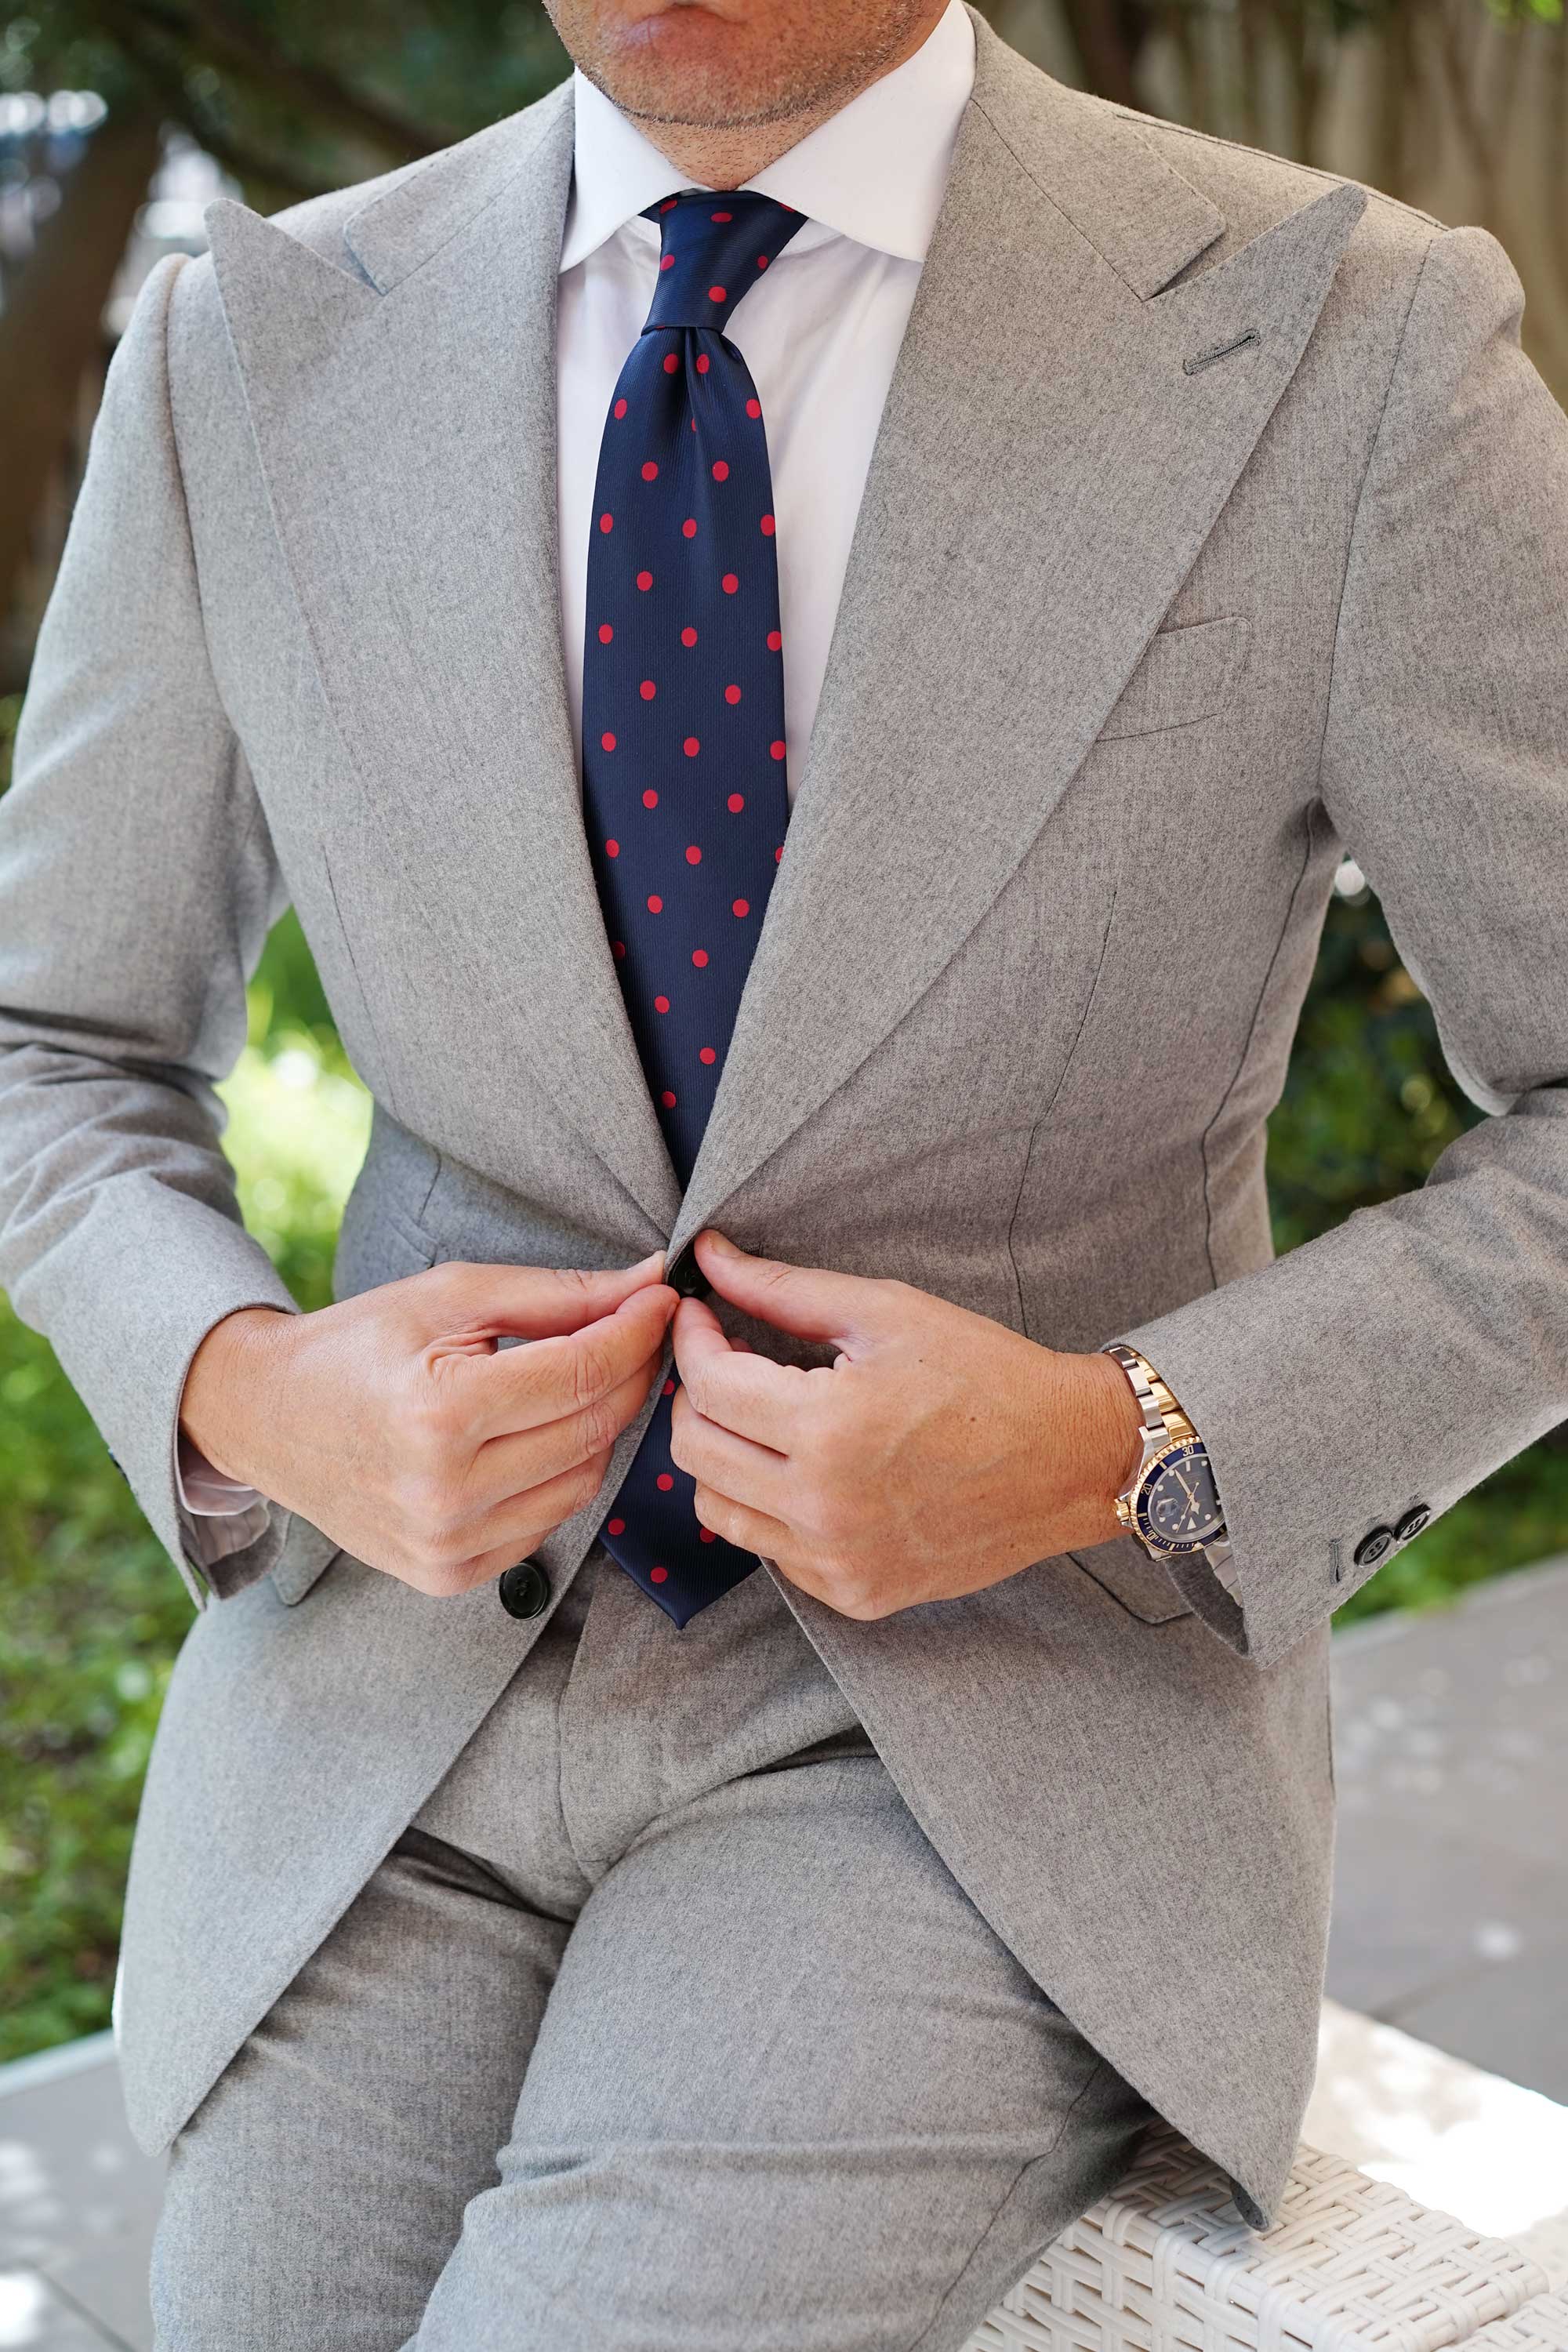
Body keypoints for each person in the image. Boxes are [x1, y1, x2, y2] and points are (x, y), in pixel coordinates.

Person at [2, 0, 1566, 2341]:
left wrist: (1114, 1441)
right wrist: (250, 1388)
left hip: (977, 1730)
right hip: (380, 1727)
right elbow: (51, 1041)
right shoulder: (252, 343)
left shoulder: (1347, 336)